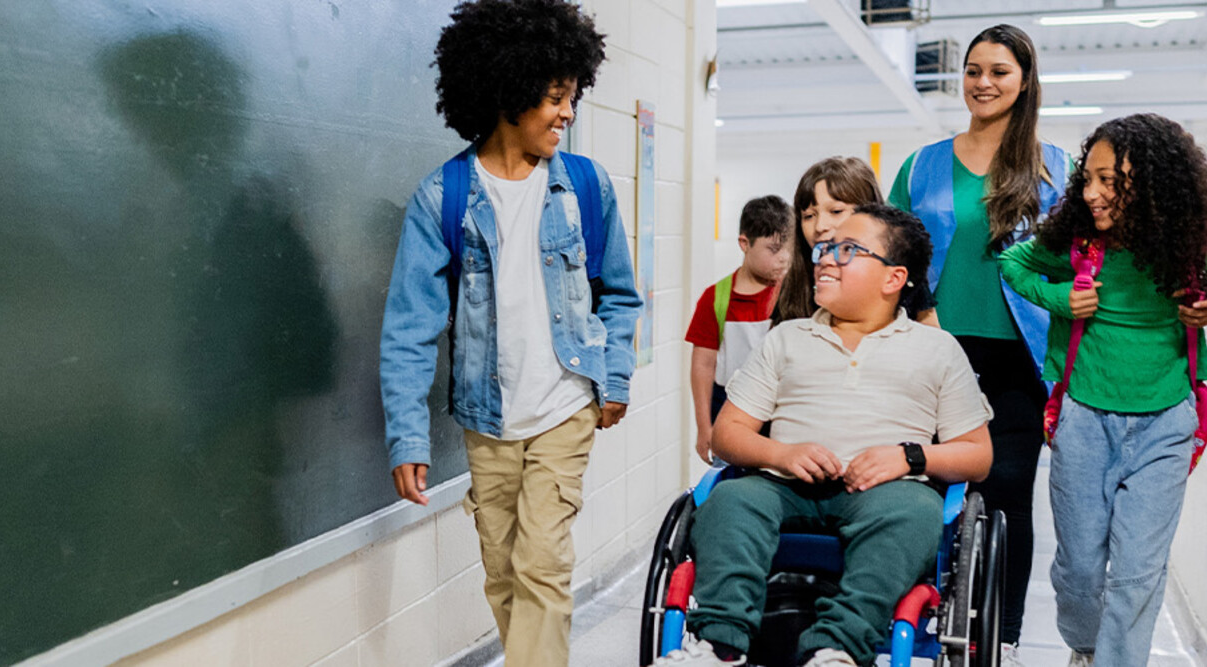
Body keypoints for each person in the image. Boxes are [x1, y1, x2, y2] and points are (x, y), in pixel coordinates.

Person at [376, 2, 641, 665]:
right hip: (488, 418)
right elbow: (409, 327)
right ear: (510, 91)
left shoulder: (585, 186)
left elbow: (622, 294)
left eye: (572, 97)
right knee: (503, 569)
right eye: (556, 97)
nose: (568, 113)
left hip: (565, 407)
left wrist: (614, 376)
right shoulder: (443, 197)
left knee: (542, 564)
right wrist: (406, 432)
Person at [654, 204, 993, 667]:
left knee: (915, 513)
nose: (826, 258)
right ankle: (720, 644)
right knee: (729, 503)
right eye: (825, 248)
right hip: (781, 486)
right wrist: (783, 452)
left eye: (848, 250)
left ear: (893, 279)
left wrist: (909, 458)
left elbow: (977, 454)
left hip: (887, 492)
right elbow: (726, 435)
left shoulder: (937, 349)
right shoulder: (787, 338)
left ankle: (837, 648)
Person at [998, 113, 1207, 667]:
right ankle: (1085, 647)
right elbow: (1013, 262)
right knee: (1080, 567)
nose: (1093, 193)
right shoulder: (1078, 240)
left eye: (1111, 181)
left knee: (1136, 571)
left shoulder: (1191, 240)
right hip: (1085, 416)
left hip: (1166, 420)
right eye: (1089, 179)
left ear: (1152, 184)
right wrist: (1059, 299)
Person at [885, 24, 1070, 664]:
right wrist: (922, 310)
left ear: (1024, 83)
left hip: (1018, 355)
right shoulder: (923, 164)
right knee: (923, 492)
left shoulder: (1055, 169)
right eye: (973, 70)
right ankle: (919, 618)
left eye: (999, 71)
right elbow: (892, 251)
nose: (983, 83)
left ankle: (1006, 637)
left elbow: (1078, 262)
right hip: (935, 348)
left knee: (1009, 496)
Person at [686, 195, 792, 462]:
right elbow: (703, 365)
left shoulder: (791, 296)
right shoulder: (716, 298)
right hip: (730, 412)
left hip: (782, 415)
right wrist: (704, 426)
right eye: (774, 249)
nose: (784, 258)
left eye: (789, 249)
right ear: (745, 244)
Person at [771, 157, 893, 325]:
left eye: (836, 211)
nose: (820, 226)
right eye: (808, 216)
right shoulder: (793, 290)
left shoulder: (899, 283)